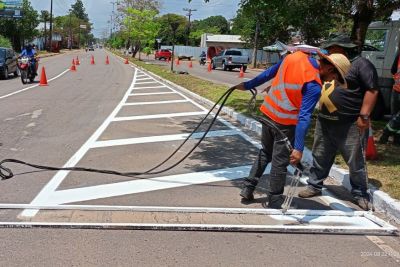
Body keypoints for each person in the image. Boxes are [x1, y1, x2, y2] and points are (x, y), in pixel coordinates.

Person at [236, 50, 351, 209]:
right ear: (331, 70)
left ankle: (248, 187)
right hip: (285, 123)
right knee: (279, 162)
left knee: (265, 152)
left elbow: (270, 73)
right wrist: (298, 148)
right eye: (334, 79)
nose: (331, 82)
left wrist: (248, 85)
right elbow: (304, 117)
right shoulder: (314, 85)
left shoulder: (295, 56)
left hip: (268, 113)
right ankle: (275, 199)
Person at [298, 35, 379, 210]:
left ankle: (359, 192)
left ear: (341, 49)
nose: (328, 52)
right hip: (325, 121)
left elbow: (372, 90)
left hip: (349, 123)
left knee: (355, 161)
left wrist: (364, 115)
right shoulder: (327, 65)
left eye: (331, 49)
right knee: (320, 155)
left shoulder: (361, 65)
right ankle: (314, 184)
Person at [379, 48, 400, 145]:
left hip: (396, 88)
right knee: (397, 117)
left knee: (395, 116)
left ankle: (396, 140)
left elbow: (393, 70)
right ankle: (387, 134)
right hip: (397, 88)